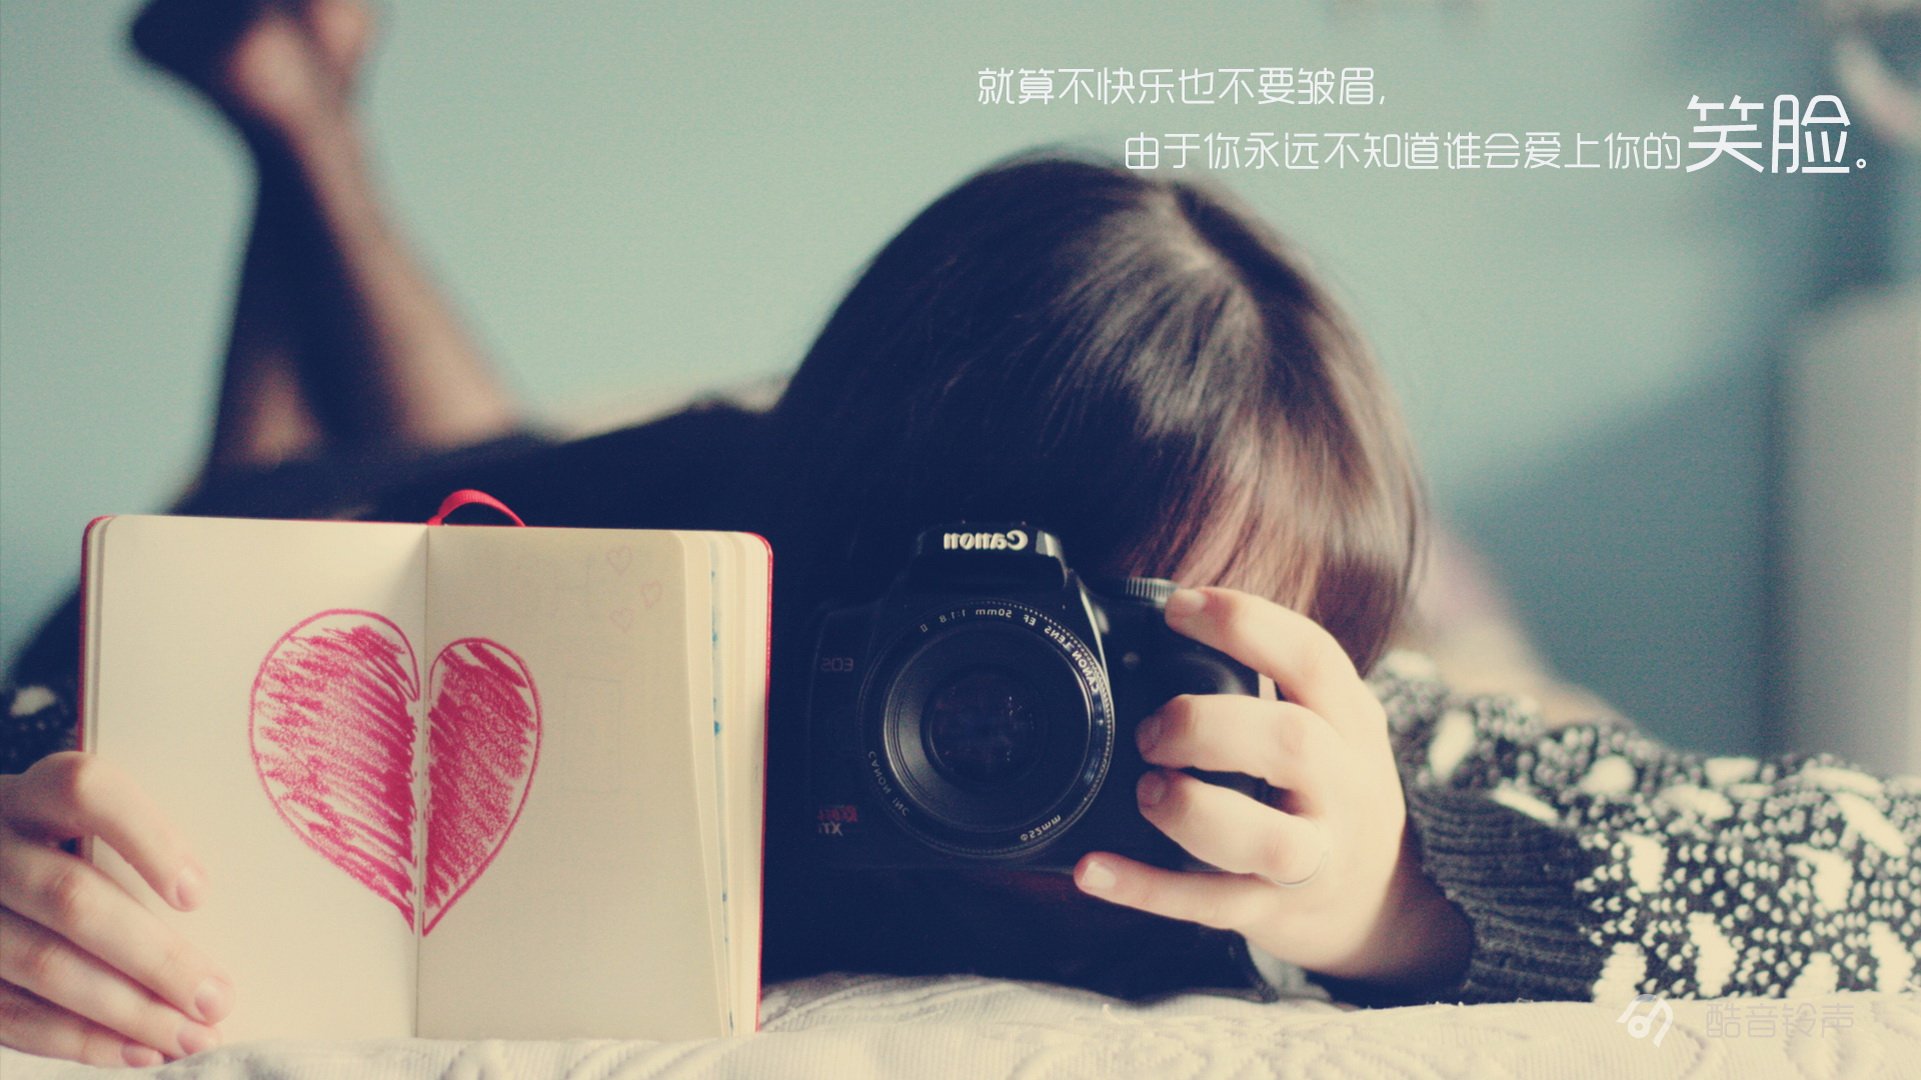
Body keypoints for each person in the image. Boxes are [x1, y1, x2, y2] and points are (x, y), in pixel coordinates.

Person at [3, 0, 1917, 1068]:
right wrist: (43, 850)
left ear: (1294, 660)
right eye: (985, 645)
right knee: (330, 523)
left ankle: (300, 116)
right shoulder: (693, 583)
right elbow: (143, 668)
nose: (1024, 715)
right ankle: (301, 121)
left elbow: (1881, 876)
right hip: (588, 489)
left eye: (1139, 656)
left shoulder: (1319, 762)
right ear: (835, 545)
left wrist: (1401, 899)